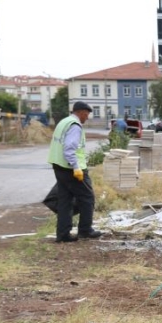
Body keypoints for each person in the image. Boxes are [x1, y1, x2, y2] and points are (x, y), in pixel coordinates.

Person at [46, 101, 103, 243]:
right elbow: (69, 149)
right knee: (87, 198)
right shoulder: (75, 126)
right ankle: (85, 230)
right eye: (87, 114)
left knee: (65, 199)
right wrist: (76, 167)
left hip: (59, 166)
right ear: (81, 112)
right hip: (71, 168)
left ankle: (63, 234)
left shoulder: (64, 122)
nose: (87, 117)